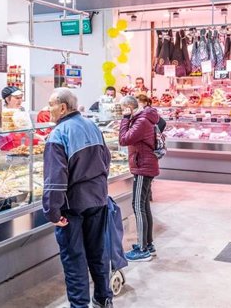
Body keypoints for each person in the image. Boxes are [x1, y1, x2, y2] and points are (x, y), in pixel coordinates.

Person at [43, 88, 113, 308]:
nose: (48, 109)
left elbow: (55, 180)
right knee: (98, 252)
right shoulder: (92, 126)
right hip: (98, 199)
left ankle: (80, 305)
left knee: (74, 260)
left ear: (63, 107)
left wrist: (52, 212)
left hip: (72, 207)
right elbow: (107, 160)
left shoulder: (58, 134)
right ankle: (103, 299)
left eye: (51, 104)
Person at [118, 95, 160, 262]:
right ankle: (148, 245)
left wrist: (125, 119)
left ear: (129, 107)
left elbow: (123, 139)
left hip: (143, 167)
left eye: (123, 109)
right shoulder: (144, 118)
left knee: (138, 206)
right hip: (145, 165)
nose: (122, 112)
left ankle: (143, 249)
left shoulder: (141, 121)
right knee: (143, 206)